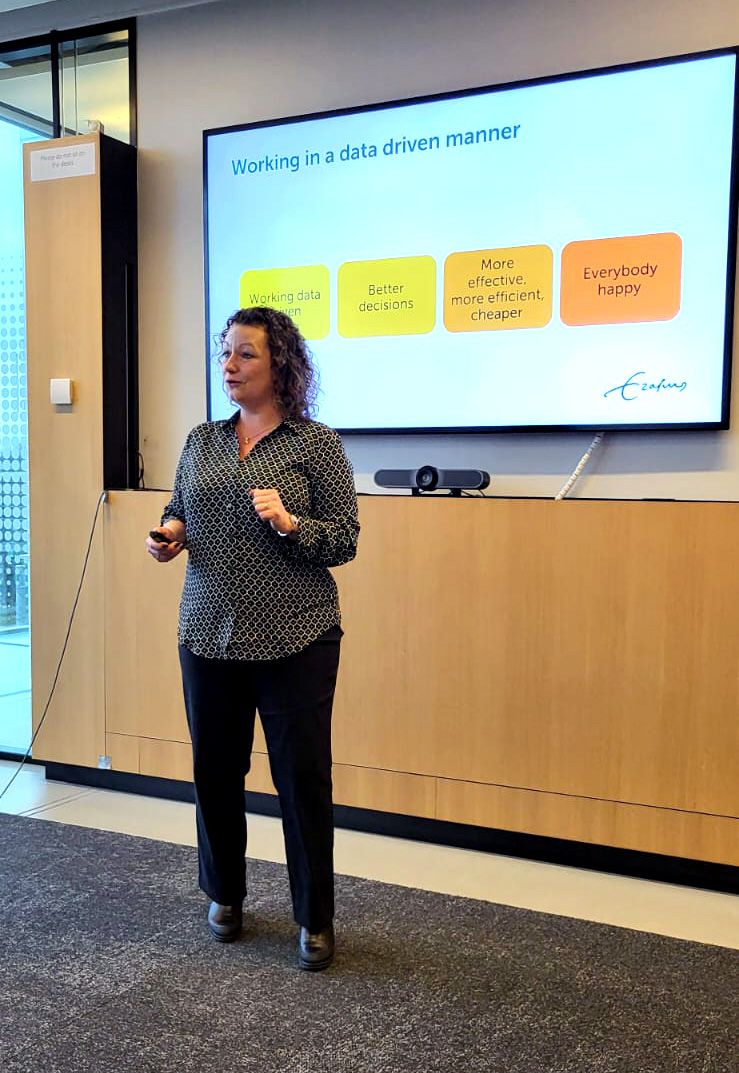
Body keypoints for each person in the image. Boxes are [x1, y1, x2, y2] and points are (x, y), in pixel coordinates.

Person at [146, 306, 359, 971]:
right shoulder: (202, 439)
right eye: (226, 353)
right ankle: (225, 894)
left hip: (297, 635)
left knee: (301, 779)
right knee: (215, 772)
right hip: (207, 632)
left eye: (246, 354)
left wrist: (291, 523)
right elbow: (179, 507)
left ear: (280, 365)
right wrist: (170, 535)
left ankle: (314, 917)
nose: (230, 366)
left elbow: (344, 540)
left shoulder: (315, 443)